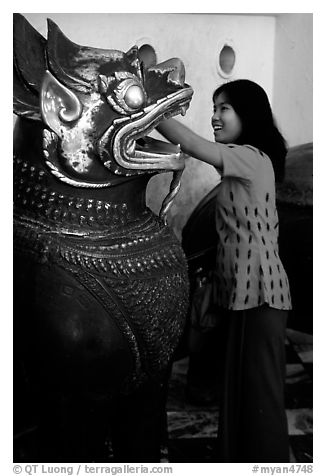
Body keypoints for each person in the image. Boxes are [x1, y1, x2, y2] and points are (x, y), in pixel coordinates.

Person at [156, 79, 292, 463]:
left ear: (247, 114)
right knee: (239, 393)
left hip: (261, 297)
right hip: (244, 295)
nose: (214, 116)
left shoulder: (250, 157)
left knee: (260, 396)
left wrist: (150, 109)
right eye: (213, 108)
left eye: (224, 108)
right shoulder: (242, 161)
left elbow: (195, 146)